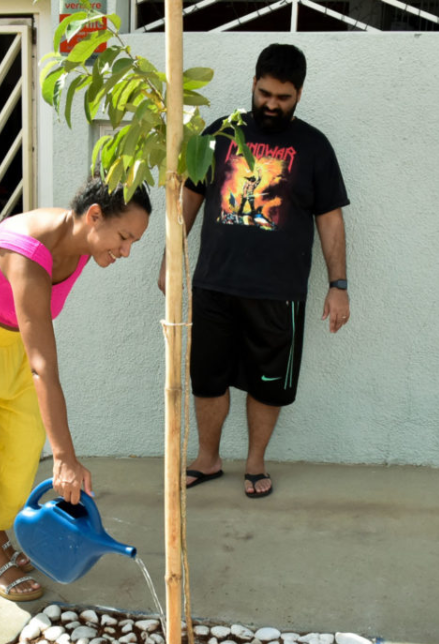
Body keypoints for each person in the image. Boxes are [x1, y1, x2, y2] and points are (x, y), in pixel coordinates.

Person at [0, 178, 151, 601]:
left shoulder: (82, 244)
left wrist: (58, 450)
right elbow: (43, 365)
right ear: (94, 215)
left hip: (11, 348)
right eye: (123, 237)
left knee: (22, 450)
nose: (125, 252)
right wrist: (64, 457)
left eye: (133, 242)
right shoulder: (25, 250)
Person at [159, 43, 350, 499]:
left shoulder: (314, 146)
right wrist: (170, 256)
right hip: (214, 285)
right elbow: (190, 197)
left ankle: (255, 462)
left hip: (278, 292)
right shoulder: (220, 134)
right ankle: (208, 458)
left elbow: (330, 218)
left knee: (269, 385)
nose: (271, 104)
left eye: (283, 98)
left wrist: (339, 284)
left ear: (299, 94)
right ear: (253, 83)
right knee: (207, 378)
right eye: (265, 93)